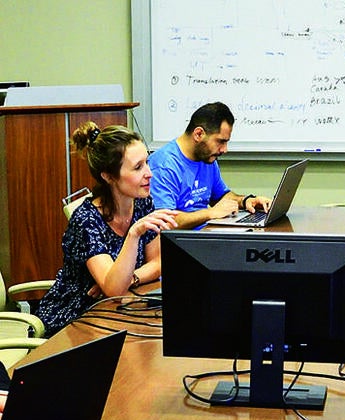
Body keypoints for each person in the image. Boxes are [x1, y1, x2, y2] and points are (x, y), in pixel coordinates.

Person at [35, 123, 178, 336]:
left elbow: (157, 264)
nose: (149, 173)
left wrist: (129, 278)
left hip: (117, 308)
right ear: (109, 176)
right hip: (75, 318)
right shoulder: (86, 220)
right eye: (138, 167)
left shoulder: (142, 203)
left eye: (146, 162)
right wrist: (133, 234)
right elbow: (114, 290)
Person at [149, 101, 271, 229]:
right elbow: (164, 223)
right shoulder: (163, 166)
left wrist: (246, 201)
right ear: (198, 134)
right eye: (221, 141)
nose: (224, 150)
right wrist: (210, 213)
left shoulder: (206, 157)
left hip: (207, 234)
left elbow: (220, 197)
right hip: (180, 244)